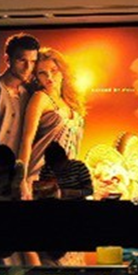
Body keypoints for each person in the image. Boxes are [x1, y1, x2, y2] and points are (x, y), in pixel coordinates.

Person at [19, 47, 86, 193]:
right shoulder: (40, 98)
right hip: (41, 176)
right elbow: (26, 141)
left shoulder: (70, 102)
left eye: (54, 70)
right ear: (36, 76)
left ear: (63, 71)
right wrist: (21, 181)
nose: (49, 77)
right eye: (42, 73)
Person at [0, 33, 40, 155]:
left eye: (33, 62)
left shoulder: (29, 94)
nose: (28, 67)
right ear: (7, 59)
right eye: (22, 60)